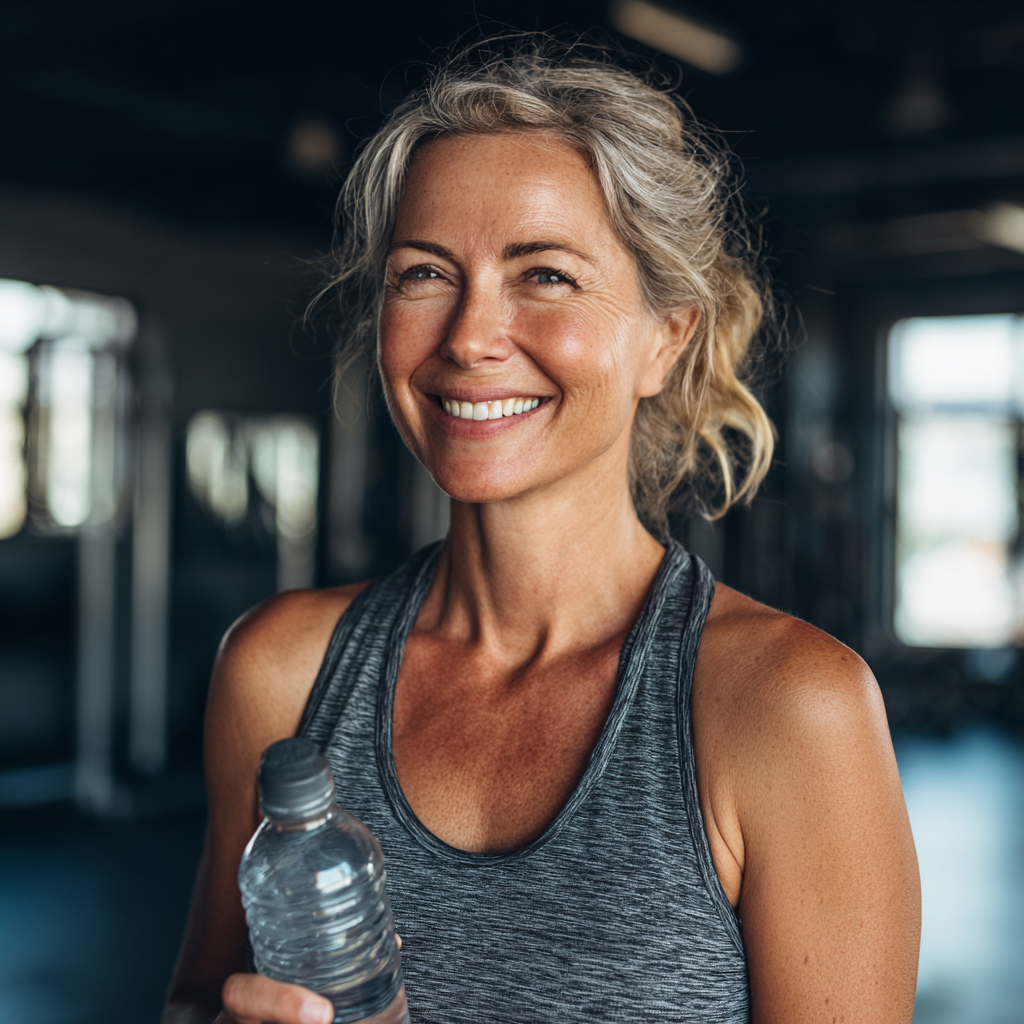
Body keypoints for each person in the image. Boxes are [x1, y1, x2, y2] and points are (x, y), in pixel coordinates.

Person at [164, 42, 920, 1024]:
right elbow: (196, 998)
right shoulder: (279, 672)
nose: (470, 335)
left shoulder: (789, 708)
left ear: (665, 335)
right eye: (425, 274)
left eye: (546, 276)